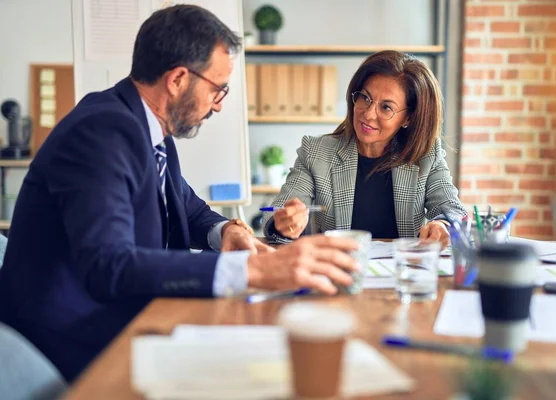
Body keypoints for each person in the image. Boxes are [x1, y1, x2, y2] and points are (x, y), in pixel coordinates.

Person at [0, 5, 359, 383]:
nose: (219, 105)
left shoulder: (147, 129)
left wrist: (225, 232)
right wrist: (253, 269)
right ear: (177, 79)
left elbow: (186, 209)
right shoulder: (101, 133)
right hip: (69, 339)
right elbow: (109, 266)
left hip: (117, 318)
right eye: (218, 89)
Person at [264, 51, 467, 246]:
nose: (368, 114)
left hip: (401, 273)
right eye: (365, 98)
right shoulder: (316, 152)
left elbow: (452, 209)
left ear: (408, 118)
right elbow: (277, 213)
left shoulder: (425, 155)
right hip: (337, 271)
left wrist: (442, 224)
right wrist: (283, 223)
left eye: (386, 107)